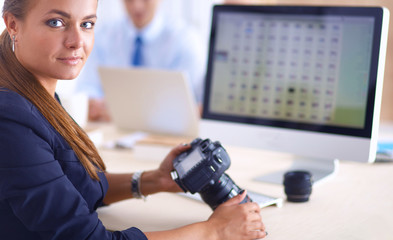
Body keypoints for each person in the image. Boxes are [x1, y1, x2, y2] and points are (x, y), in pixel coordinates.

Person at [0, 0, 267, 239]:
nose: (77, 41)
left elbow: (72, 187)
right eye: (56, 23)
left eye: (87, 24)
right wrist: (213, 231)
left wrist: (155, 180)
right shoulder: (10, 118)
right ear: (13, 24)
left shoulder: (36, 93)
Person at [75, 0, 206, 121]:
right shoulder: (104, 35)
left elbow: (190, 103)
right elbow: (87, 86)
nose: (136, 6)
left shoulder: (185, 40)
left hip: (165, 134)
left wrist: (126, 110)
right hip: (113, 129)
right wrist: (93, 103)